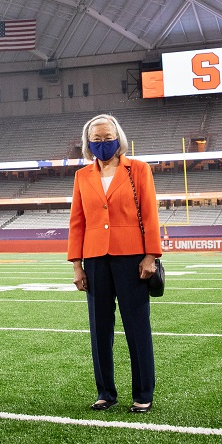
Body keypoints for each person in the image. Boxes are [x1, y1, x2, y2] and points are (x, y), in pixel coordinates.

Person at [68, 114, 161, 414]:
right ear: (88, 144)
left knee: (137, 327)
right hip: (95, 259)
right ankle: (105, 392)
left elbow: (149, 214)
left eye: (108, 138)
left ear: (119, 137)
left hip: (132, 257)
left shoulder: (139, 169)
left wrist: (151, 256)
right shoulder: (82, 176)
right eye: (96, 140)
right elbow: (77, 223)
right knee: (99, 330)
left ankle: (143, 392)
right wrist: (76, 264)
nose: (103, 143)